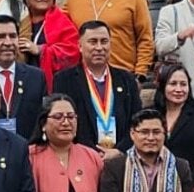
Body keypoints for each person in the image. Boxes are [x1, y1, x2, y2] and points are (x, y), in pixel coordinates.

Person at [63, 0, 154, 81]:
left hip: (123, 75)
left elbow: (145, 39)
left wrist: (140, 74)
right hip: (82, 76)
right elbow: (61, 32)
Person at [52, 20, 143, 154]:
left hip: (121, 157)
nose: (99, 47)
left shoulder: (127, 79)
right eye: (93, 42)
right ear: (80, 46)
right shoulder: (64, 80)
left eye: (104, 41)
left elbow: (137, 121)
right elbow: (64, 122)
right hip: (81, 156)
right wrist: (93, 152)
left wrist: (119, 151)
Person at [18, 0, 80, 86]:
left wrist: (40, 50)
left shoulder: (63, 21)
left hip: (55, 85)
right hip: (22, 82)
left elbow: (73, 52)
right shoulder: (19, 21)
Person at [154, 62, 194, 165]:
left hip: (190, 178)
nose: (179, 89)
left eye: (183, 84)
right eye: (173, 84)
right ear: (163, 86)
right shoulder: (151, 114)